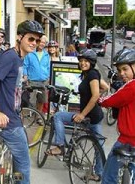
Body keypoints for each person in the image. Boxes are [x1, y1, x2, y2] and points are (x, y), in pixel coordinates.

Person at [0, 20, 44, 184]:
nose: (34, 43)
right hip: (8, 120)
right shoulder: (11, 57)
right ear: (19, 37)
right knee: (23, 164)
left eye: (37, 41)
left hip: (5, 117)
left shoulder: (14, 55)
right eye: (31, 39)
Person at [46, 49, 106, 181]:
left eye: (86, 61)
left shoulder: (92, 74)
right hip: (85, 114)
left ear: (92, 62)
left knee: (99, 146)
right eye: (81, 61)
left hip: (92, 117)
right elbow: (104, 87)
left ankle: (98, 173)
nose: (83, 63)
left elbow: (96, 95)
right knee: (58, 116)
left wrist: (83, 114)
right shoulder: (86, 75)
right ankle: (60, 145)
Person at [98, 48, 135, 184]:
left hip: (127, 140)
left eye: (125, 69)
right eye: (119, 70)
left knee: (108, 177)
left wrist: (99, 100)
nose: (122, 74)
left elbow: (112, 100)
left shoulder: (131, 86)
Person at [23, 35, 50, 122]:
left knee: (41, 100)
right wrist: (25, 76)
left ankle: (39, 117)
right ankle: (31, 116)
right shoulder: (30, 53)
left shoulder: (46, 54)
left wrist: (48, 77)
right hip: (32, 80)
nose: (42, 44)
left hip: (44, 80)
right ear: (37, 42)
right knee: (32, 99)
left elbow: (48, 67)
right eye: (41, 42)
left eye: (44, 43)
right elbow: (25, 65)